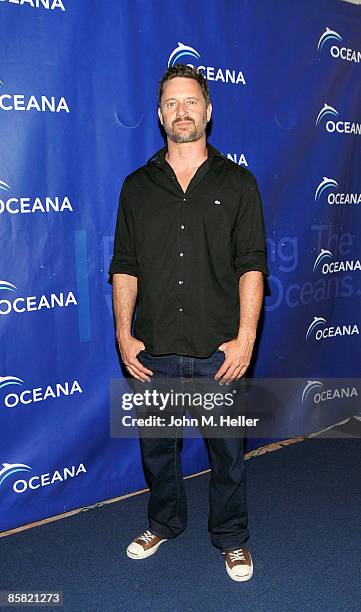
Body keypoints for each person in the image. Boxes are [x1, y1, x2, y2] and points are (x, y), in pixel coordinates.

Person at [108, 63, 269, 582]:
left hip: (219, 350)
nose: (182, 110)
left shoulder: (239, 183)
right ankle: (164, 522)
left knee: (227, 455)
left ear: (208, 110)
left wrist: (246, 339)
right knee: (157, 450)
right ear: (160, 114)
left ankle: (231, 537)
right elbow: (125, 265)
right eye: (172, 103)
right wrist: (123, 333)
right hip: (153, 349)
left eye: (191, 101)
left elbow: (251, 265)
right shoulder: (137, 187)